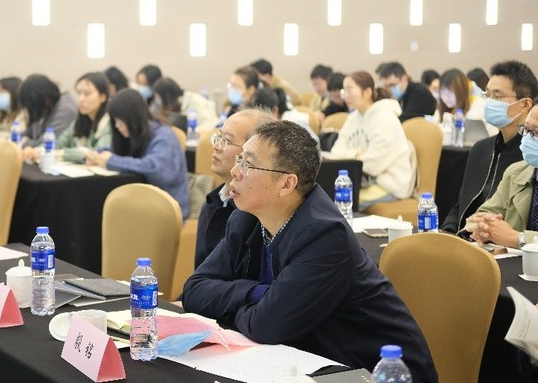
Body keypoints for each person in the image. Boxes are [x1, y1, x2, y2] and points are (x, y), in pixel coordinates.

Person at [181, 120, 437, 381]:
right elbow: (194, 290)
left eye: (248, 164)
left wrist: (235, 304)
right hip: (308, 362)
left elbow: (266, 325)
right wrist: (256, 292)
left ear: (286, 184)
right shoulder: (245, 219)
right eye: (239, 160)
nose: (235, 171)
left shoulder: (326, 236)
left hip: (377, 371)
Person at [442, 61, 538, 234]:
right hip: (467, 235)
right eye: (487, 95)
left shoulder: (530, 156)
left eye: (498, 97)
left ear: (525, 104)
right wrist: (447, 231)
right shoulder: (480, 149)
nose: (489, 103)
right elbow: (462, 203)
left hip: (498, 241)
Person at [85, 89, 189, 217]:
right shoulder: (134, 135)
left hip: (169, 210)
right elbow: (115, 150)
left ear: (133, 117)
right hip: (141, 204)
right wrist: (95, 155)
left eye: (120, 121)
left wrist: (110, 161)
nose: (117, 126)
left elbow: (154, 168)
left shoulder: (163, 136)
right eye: (115, 121)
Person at [194, 108, 274, 268]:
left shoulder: (259, 214)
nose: (216, 146)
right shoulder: (213, 201)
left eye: (227, 141)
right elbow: (200, 275)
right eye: (218, 137)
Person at [326, 71, 414, 209]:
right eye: (344, 91)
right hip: (363, 181)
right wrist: (357, 155)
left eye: (350, 90)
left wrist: (351, 157)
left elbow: (373, 165)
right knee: (329, 198)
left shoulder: (385, 118)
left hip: (389, 185)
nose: (345, 96)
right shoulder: (353, 117)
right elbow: (336, 152)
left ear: (367, 92)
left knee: (337, 203)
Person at [466, 101, 538, 249]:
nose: (528, 138)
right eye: (526, 129)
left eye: (536, 132)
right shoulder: (516, 172)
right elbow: (482, 216)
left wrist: (518, 238)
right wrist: (484, 228)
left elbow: (511, 237)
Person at [53, 72, 112, 163]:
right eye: (79, 93)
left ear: (102, 97)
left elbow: (97, 155)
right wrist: (39, 151)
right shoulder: (79, 121)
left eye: (87, 94)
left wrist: (63, 154)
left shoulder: (109, 122)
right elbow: (59, 143)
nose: (81, 99)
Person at [18, 74, 78, 150]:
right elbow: (28, 132)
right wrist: (22, 138)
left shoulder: (66, 109)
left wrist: (26, 143)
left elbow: (48, 142)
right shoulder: (45, 106)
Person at [437, 68, 493, 135]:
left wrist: (453, 122)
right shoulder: (442, 110)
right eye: (442, 92)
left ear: (461, 90)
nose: (446, 98)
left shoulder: (479, 105)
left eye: (450, 92)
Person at [153, 77, 218, 133]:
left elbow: (211, 124)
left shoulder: (196, 101)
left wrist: (193, 132)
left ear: (168, 97)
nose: (158, 102)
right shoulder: (177, 105)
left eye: (159, 98)